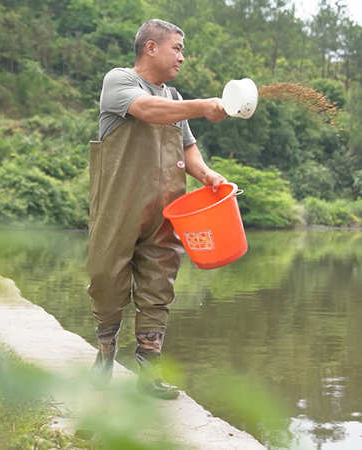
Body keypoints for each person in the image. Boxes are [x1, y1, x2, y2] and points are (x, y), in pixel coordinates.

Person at [86, 19, 227, 400]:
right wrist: (203, 107)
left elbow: (187, 148)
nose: (182, 56)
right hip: (119, 207)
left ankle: (149, 373)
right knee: (107, 281)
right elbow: (147, 110)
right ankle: (105, 356)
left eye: (182, 50)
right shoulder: (119, 81)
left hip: (165, 211)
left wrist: (207, 174)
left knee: (158, 287)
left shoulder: (175, 96)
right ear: (151, 48)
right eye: (177, 48)